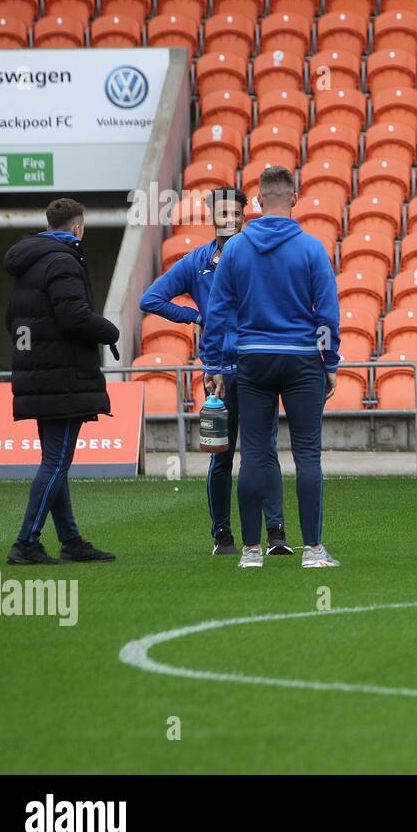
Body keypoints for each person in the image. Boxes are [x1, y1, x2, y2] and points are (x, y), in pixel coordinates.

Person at [200, 167, 342, 569]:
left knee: (255, 453)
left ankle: (250, 552)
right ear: (294, 197)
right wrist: (329, 363)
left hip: (252, 358)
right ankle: (313, 551)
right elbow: (327, 316)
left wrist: (213, 363)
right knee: (307, 455)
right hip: (301, 360)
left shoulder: (236, 250)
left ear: (258, 202)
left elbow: (218, 311)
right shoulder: (312, 249)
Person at [139, 187, 290, 557]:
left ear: (243, 217)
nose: (228, 219)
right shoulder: (196, 263)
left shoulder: (260, 257)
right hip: (218, 376)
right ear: (212, 217)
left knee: (264, 451)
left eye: (235, 213)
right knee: (220, 454)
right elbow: (150, 299)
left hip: (258, 370)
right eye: (221, 212)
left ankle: (276, 535)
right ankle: (222, 536)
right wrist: (195, 316)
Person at [4, 198, 118, 565]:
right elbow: (74, 318)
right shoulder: (63, 261)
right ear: (77, 228)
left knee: (55, 462)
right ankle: (27, 542)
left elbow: (13, 320)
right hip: (63, 377)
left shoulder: (29, 262)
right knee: (56, 462)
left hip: (38, 374)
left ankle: (71, 541)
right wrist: (109, 331)